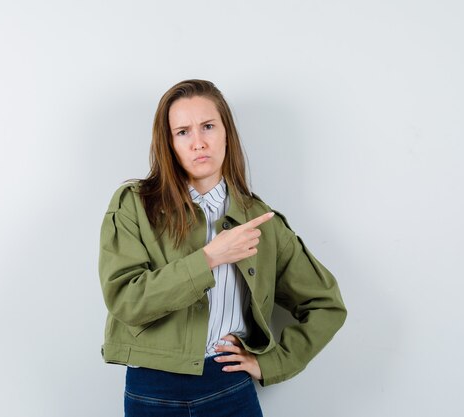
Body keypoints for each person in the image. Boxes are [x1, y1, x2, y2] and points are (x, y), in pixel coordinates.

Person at [98, 79, 347, 417]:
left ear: (226, 132)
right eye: (183, 132)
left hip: (228, 387)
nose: (198, 142)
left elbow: (325, 305)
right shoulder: (135, 205)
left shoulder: (261, 221)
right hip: (152, 392)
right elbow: (125, 300)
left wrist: (272, 362)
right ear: (168, 143)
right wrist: (210, 257)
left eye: (208, 126)